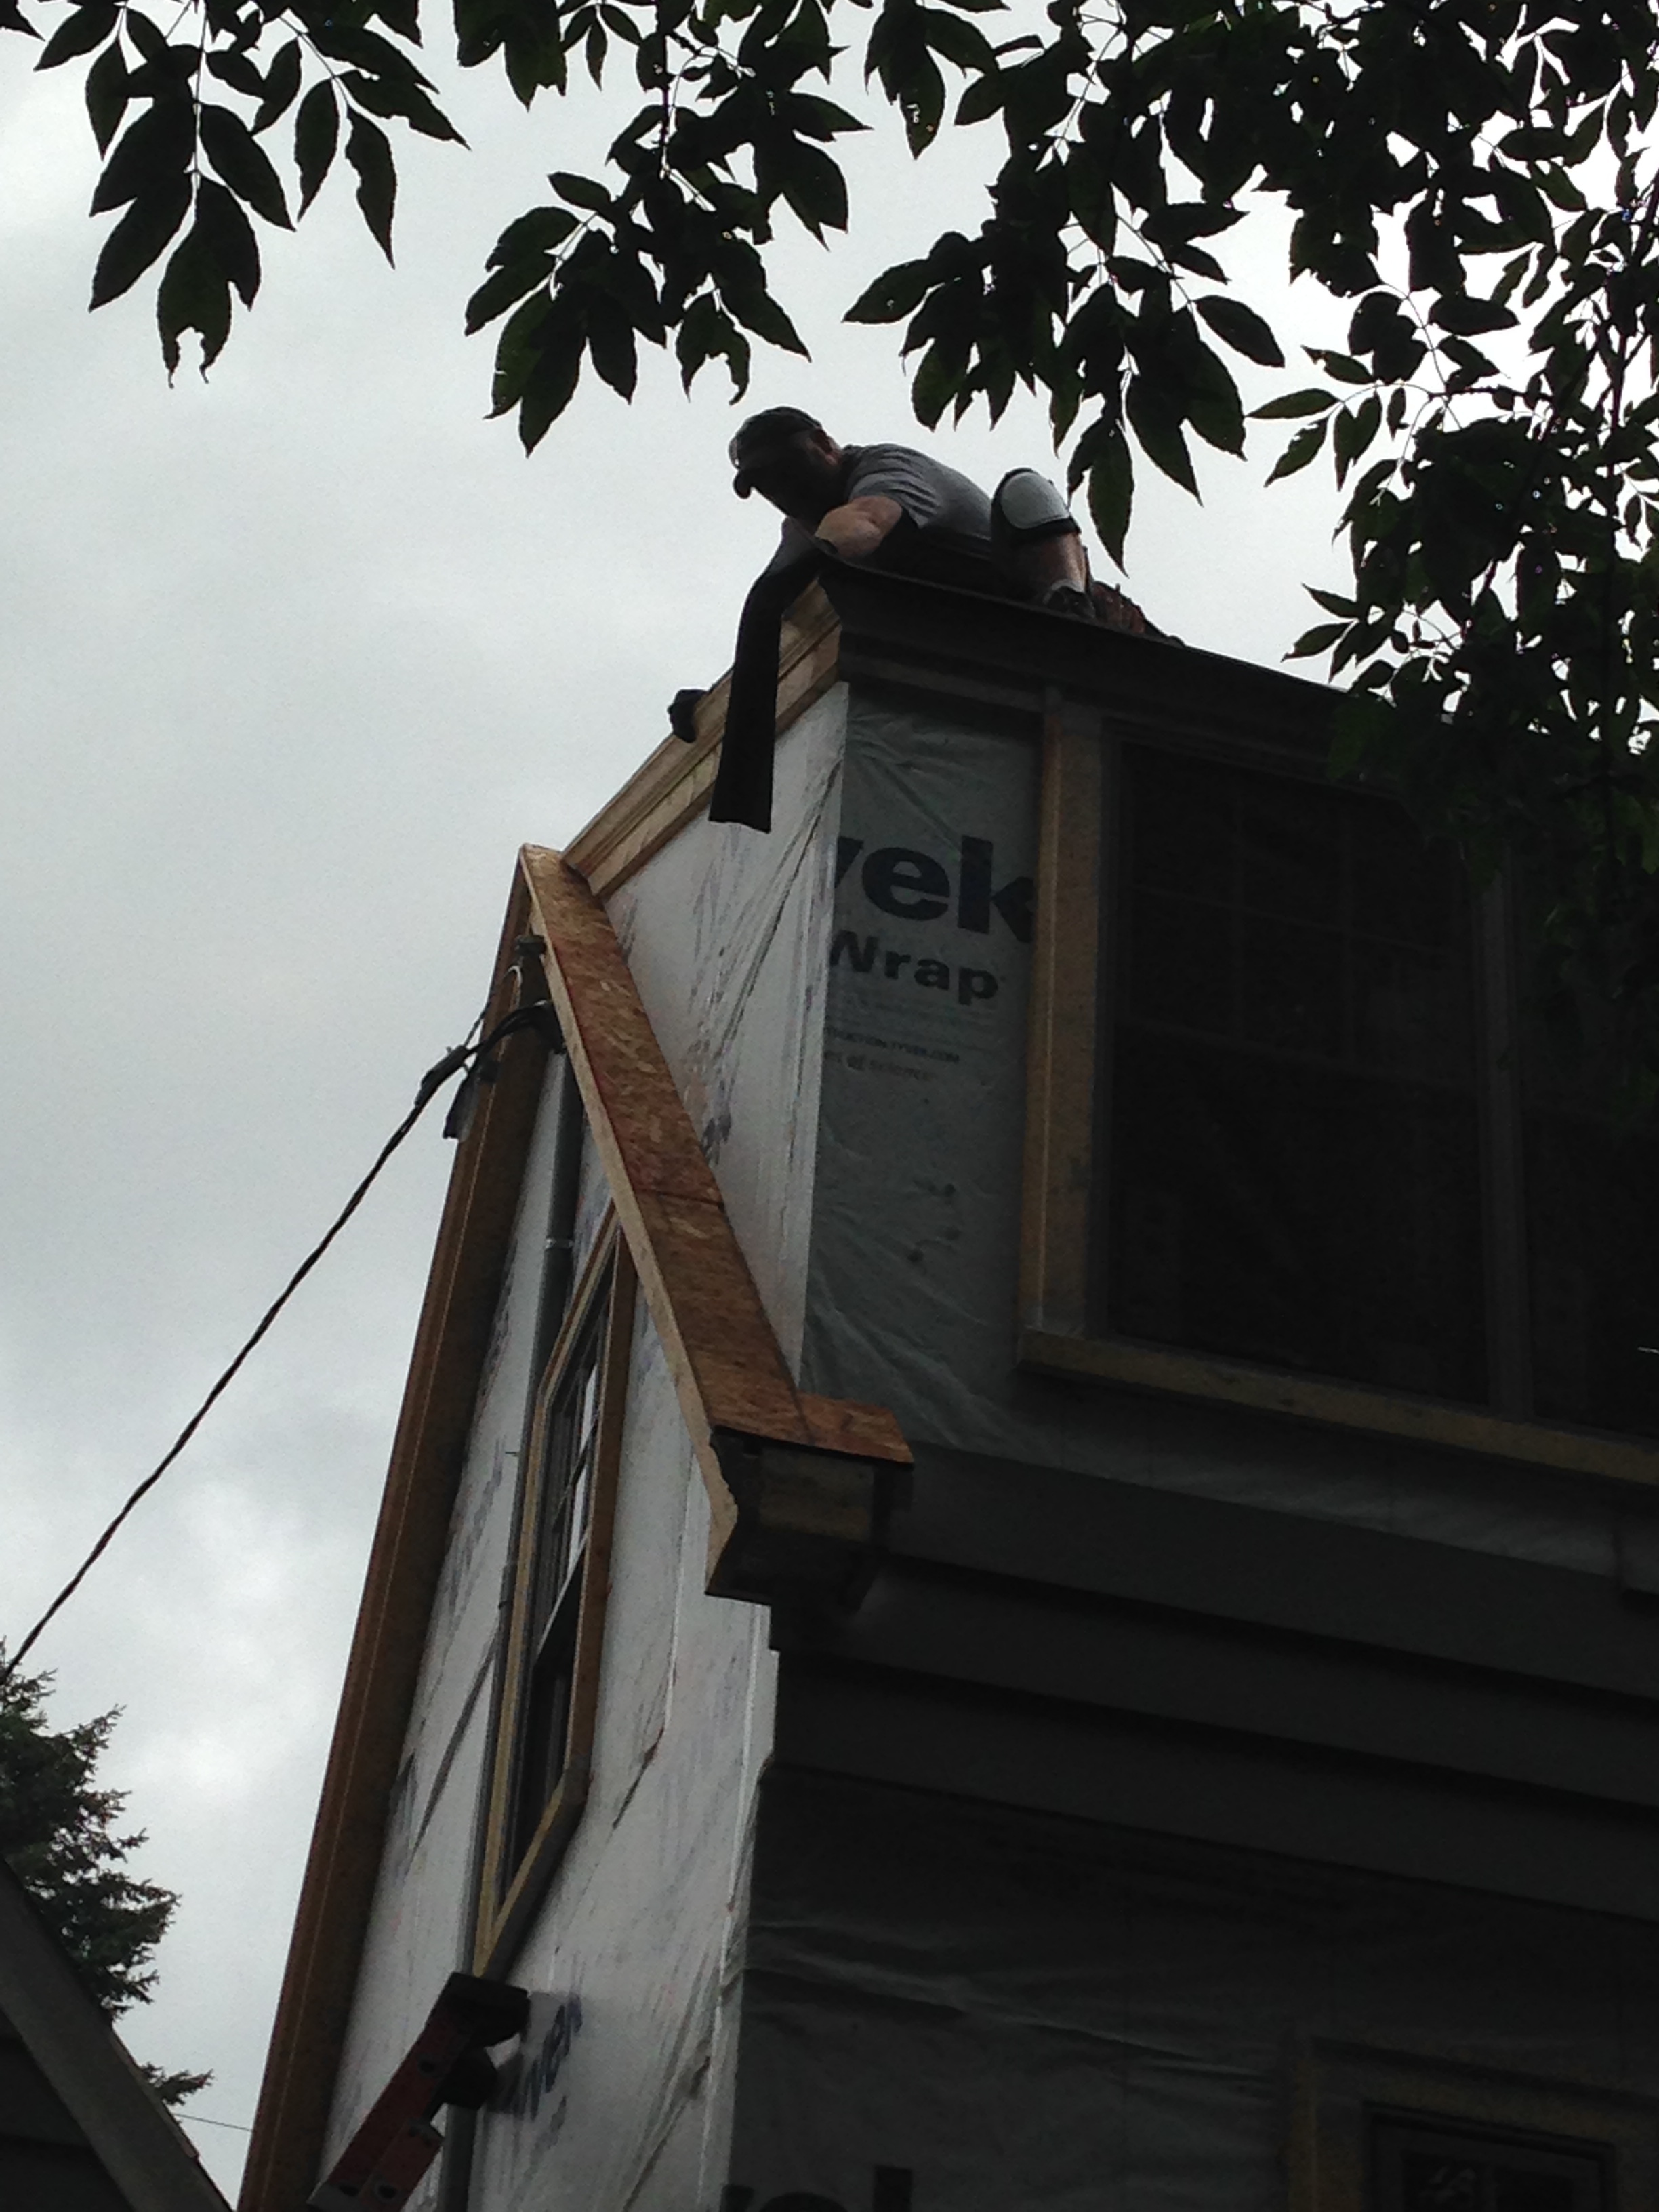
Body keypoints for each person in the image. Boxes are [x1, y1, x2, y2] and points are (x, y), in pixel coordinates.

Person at [726, 405, 1149, 631]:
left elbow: (867, 523)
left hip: (1021, 587)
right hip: (972, 620)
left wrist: (819, 554)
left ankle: (1070, 604)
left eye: (786, 468)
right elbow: (780, 613)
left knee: (1026, 488)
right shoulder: (801, 532)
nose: (780, 489)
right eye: (763, 483)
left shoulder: (883, 469)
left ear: (823, 444)